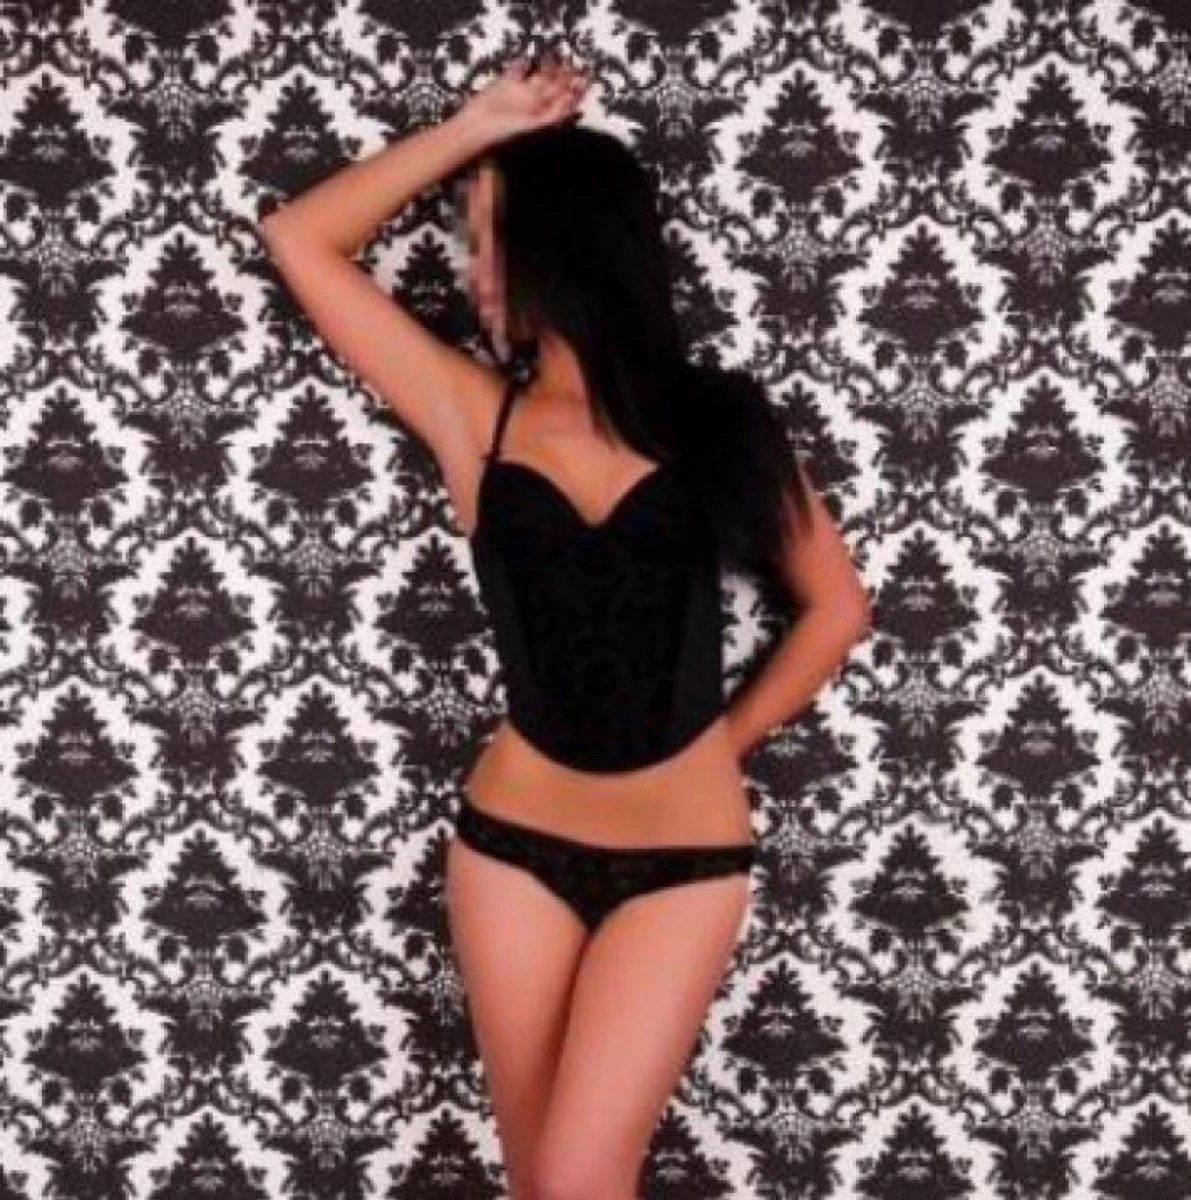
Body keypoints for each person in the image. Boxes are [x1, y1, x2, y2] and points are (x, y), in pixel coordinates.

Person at [259, 51, 871, 1200]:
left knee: (582, 1179)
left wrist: (719, 744)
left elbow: (837, 610)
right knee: (546, 1186)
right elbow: (300, 240)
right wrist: (475, 126)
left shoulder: (718, 420)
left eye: (490, 238)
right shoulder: (471, 416)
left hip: (684, 862)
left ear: (566, 245)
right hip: (511, 851)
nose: (473, 270)